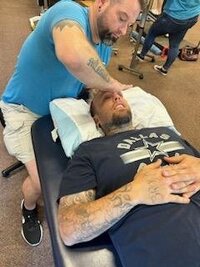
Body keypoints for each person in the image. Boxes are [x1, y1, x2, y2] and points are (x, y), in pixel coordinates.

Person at [0, 0, 144, 246]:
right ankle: (28, 207)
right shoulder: (67, 11)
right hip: (24, 112)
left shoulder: (105, 47)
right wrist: (112, 84)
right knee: (43, 184)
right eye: (121, 18)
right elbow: (72, 54)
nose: (123, 31)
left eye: (129, 25)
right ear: (101, 3)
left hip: (62, 106)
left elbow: (89, 83)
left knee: (91, 167)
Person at [57, 91, 200, 266]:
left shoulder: (166, 131)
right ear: (96, 119)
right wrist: (135, 191)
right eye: (106, 98)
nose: (117, 97)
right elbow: (69, 229)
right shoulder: (89, 151)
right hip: (173, 250)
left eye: (119, 95)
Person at [137, 0, 200, 75]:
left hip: (173, 15)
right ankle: (165, 69)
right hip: (192, 17)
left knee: (152, 33)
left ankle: (141, 55)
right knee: (175, 45)